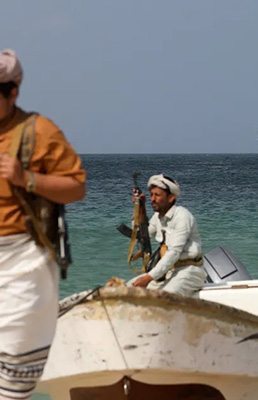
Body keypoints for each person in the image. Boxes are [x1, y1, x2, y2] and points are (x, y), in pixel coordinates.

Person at [0, 49, 86, 399]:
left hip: (22, 264)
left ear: (12, 93)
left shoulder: (39, 132)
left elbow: (76, 187)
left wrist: (26, 178)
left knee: (14, 376)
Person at [130, 174, 207, 296]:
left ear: (171, 198)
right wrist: (140, 208)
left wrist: (148, 277)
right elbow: (142, 235)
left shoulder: (182, 216)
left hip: (190, 272)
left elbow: (174, 252)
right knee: (127, 289)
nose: (152, 199)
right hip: (168, 272)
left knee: (164, 297)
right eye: (151, 195)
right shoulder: (158, 217)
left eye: (157, 195)